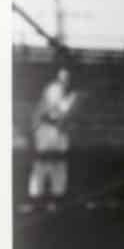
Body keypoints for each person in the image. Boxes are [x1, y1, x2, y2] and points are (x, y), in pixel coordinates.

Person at [27, 65, 79, 206]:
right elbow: (50, 112)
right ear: (58, 77)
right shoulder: (53, 89)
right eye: (63, 77)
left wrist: (66, 121)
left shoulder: (72, 95)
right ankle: (36, 199)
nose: (65, 80)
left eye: (68, 77)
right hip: (46, 132)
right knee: (42, 163)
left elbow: (66, 115)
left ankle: (55, 199)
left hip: (59, 134)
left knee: (59, 164)